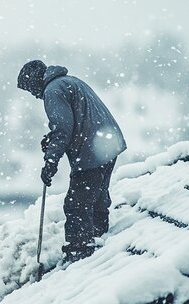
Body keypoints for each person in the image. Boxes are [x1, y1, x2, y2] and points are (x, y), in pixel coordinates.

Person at [17, 60, 126, 264]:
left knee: (77, 204)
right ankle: (99, 235)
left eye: (30, 89)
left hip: (91, 151)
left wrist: (51, 161)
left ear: (34, 81)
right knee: (97, 197)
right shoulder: (69, 81)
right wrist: (52, 140)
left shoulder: (52, 90)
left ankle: (80, 251)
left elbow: (63, 130)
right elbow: (73, 122)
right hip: (107, 145)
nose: (33, 95)